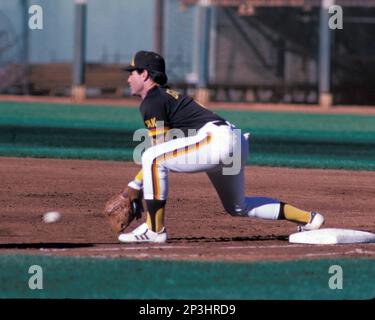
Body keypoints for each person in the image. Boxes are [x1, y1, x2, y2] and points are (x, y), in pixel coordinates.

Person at [118, 50, 324, 243]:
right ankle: (309, 219)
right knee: (238, 206)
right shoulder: (167, 96)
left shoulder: (152, 101)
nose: (128, 78)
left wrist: (134, 186)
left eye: (132, 73)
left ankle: (154, 230)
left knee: (152, 157)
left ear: (144, 74)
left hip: (218, 141)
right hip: (234, 141)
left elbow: (160, 147)